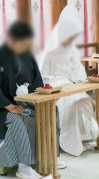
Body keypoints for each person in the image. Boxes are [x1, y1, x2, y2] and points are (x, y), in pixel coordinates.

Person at [0, 22, 63, 179]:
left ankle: (50, 157)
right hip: (4, 106)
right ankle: (24, 166)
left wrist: (40, 99)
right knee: (19, 119)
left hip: (25, 100)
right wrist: (8, 105)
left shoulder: (28, 56)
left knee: (51, 110)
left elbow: (37, 80)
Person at [40, 5, 99, 157]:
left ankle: (84, 138)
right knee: (71, 104)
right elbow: (43, 76)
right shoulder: (49, 52)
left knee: (84, 100)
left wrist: (78, 79)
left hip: (72, 89)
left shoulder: (72, 50)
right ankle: (69, 142)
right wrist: (64, 82)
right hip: (57, 92)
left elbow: (78, 69)